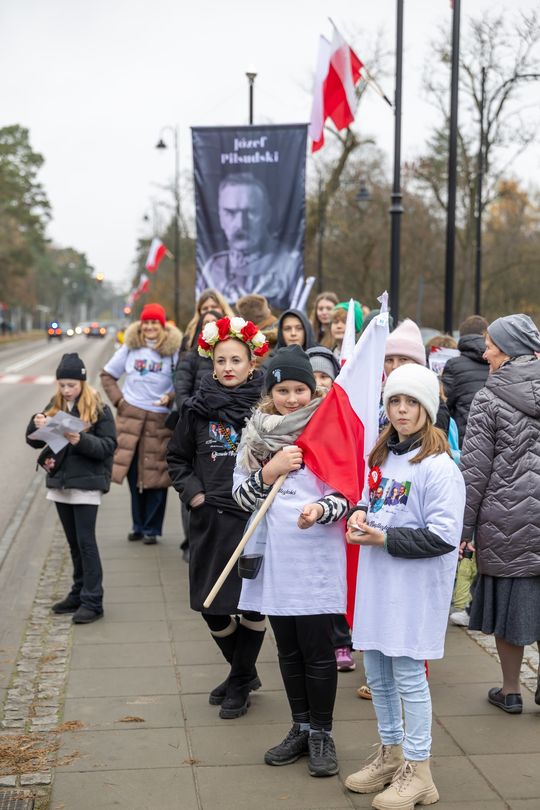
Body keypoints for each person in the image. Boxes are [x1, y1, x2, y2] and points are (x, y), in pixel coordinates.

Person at [345, 363, 465, 808]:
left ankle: (420, 770)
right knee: (376, 671)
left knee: (409, 677)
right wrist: (359, 514)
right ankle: (391, 754)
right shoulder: (381, 455)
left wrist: (385, 538)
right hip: (378, 584)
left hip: (413, 590)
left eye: (410, 401)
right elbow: (370, 499)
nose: (400, 410)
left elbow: (444, 536)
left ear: (426, 408)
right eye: (394, 401)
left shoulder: (439, 467)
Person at [233, 346, 348, 777]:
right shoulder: (255, 436)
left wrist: (321, 510)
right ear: (271, 392)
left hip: (315, 558)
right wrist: (269, 471)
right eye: (283, 390)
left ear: (312, 389)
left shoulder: (328, 429)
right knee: (288, 650)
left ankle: (322, 733)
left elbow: (349, 492)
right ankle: (299, 726)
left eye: (300, 389)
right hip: (274, 558)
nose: (293, 398)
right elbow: (241, 498)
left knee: (318, 651)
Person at [167, 316, 269, 719]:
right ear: (212, 364)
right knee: (210, 605)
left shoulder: (266, 410)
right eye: (221, 360)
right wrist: (193, 495)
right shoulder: (195, 410)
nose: (228, 367)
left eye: (236, 360)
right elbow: (177, 458)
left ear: (251, 365)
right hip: (209, 518)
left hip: (252, 520)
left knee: (251, 606)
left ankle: (240, 682)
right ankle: (243, 671)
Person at [459, 313, 540, 715]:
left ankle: (511, 690)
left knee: (513, 605)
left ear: (509, 349)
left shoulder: (489, 398)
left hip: (508, 521)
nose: (485, 350)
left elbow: (475, 471)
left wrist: (462, 528)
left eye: (491, 343)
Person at [26, 353, 116, 624]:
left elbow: (109, 446)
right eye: (62, 385)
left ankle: (93, 600)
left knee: (87, 543)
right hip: (61, 483)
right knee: (74, 544)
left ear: (82, 382)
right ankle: (78, 593)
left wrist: (80, 439)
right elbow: (33, 442)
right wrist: (37, 422)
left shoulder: (99, 408)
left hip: (86, 485)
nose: (66, 390)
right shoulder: (56, 404)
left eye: (71, 385)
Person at [100, 303, 182, 544]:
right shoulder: (130, 347)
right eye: (146, 322)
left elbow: (183, 380)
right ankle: (137, 524)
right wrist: (120, 402)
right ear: (141, 324)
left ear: (162, 325)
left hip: (159, 419)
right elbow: (107, 375)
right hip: (131, 418)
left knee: (157, 475)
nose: (149, 327)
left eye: (154, 323)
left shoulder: (173, 350)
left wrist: (172, 397)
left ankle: (152, 529)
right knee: (135, 475)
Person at [198, 173, 302, 309]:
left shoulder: (289, 265)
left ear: (267, 214)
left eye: (251, 212)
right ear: (220, 218)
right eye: (230, 213)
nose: (241, 224)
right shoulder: (212, 270)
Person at [383, 318, 450, 433]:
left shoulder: (434, 404)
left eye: (403, 359)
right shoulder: (376, 396)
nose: (394, 366)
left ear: (418, 363)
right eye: (389, 360)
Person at [441, 315, 489, 448]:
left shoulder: (454, 365)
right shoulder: (499, 361)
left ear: (461, 337)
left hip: (465, 441)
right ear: (485, 334)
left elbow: (445, 405)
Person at [181, 289, 234, 354]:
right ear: (199, 312)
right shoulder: (190, 337)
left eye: (214, 307)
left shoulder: (235, 330)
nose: (209, 311)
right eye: (205, 308)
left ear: (222, 309)